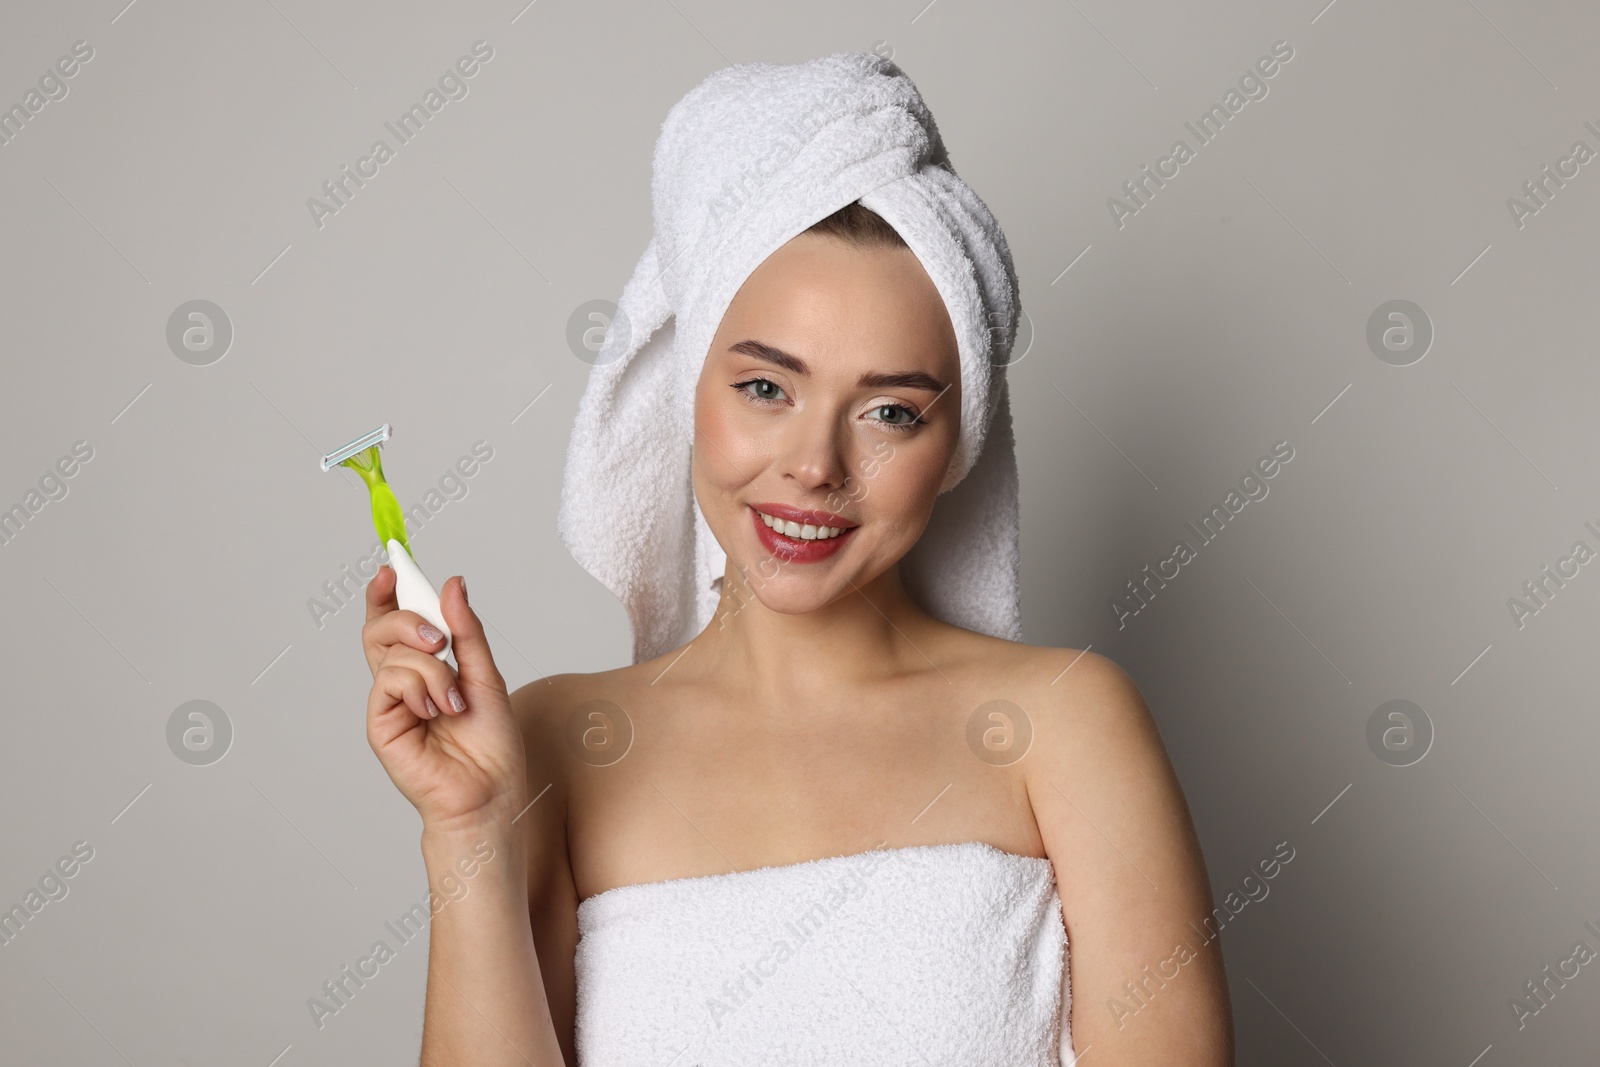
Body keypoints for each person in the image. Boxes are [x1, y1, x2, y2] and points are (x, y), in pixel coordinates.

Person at [359, 53, 1233, 1067]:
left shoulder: (1067, 725)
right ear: (690, 386)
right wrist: (467, 831)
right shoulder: (554, 740)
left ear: (958, 443)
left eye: (889, 411)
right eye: (766, 389)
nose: (814, 466)